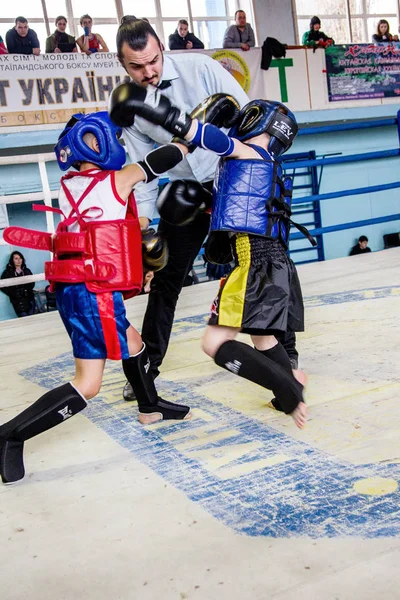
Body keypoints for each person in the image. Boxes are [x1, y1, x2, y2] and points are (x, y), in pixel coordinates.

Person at [0, 111, 192, 485]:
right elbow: (159, 161)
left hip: (79, 287)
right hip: (92, 294)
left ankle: (149, 406)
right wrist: (189, 136)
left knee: (135, 345)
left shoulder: (69, 185)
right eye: (108, 140)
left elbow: (108, 230)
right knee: (87, 384)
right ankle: (10, 435)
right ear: (94, 143)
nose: (118, 146)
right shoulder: (115, 181)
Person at [109, 85, 315, 428]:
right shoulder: (261, 165)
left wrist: (151, 109)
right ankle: (292, 383)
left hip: (256, 264)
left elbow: (201, 135)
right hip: (270, 263)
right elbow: (237, 211)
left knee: (215, 344)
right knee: (263, 340)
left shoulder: (246, 153)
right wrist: (201, 204)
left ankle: (288, 386)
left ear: (259, 122)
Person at [113, 18, 249, 400]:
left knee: (258, 267)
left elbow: (248, 114)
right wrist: (143, 230)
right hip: (186, 193)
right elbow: (143, 171)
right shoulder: (130, 106)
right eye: (137, 67)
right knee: (167, 278)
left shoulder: (201, 68)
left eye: (153, 61)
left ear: (162, 50)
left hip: (232, 179)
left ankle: (283, 361)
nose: (148, 72)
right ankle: (146, 368)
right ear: (122, 63)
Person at [1, 251, 35, 317]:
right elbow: (2, 285)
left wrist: (27, 289)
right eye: (16, 258)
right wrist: (12, 292)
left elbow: (32, 283)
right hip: (18, 302)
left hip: (29, 299)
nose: (19, 260)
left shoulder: (26, 270)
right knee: (24, 319)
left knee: (32, 319)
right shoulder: (8, 273)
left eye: (20, 258)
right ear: (12, 260)